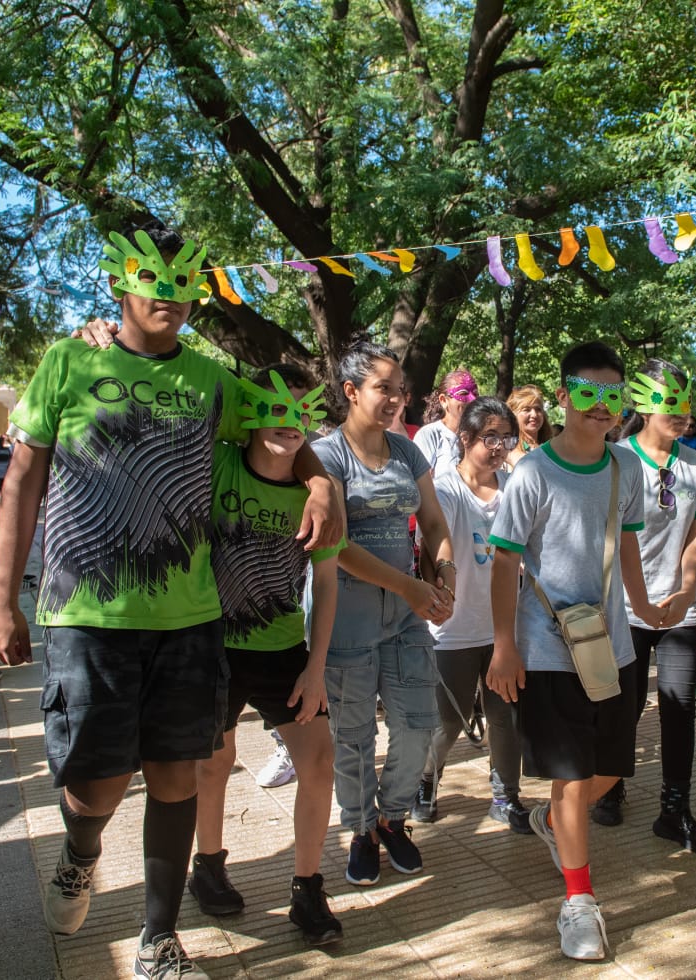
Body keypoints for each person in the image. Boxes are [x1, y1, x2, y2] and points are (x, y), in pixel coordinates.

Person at [0, 222, 340, 980]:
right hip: (89, 616)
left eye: (186, 286)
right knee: (98, 784)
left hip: (190, 619)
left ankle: (158, 939)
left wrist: (319, 479)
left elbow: (284, 420)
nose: (173, 300)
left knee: (177, 776)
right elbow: (19, 484)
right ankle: (80, 856)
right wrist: (0, 603)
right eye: (157, 284)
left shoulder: (212, 381)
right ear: (122, 284)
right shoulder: (70, 358)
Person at [487, 340, 664, 961]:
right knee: (571, 777)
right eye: (586, 393)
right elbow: (505, 560)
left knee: (610, 769)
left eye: (612, 395)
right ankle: (578, 902)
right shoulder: (533, 471)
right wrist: (505, 644)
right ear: (564, 396)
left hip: (611, 647)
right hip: (547, 647)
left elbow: (632, 543)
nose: (600, 406)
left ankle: (555, 825)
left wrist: (642, 608)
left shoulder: (627, 466)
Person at [187, 365, 344, 943]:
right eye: (275, 408)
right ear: (250, 415)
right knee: (214, 763)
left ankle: (307, 889)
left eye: (303, 411)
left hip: (285, 651)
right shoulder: (219, 461)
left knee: (319, 763)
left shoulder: (321, 493)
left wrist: (316, 666)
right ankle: (208, 867)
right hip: (214, 645)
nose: (290, 421)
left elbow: (327, 583)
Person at [312, 341, 456, 888]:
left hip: (406, 616)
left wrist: (444, 578)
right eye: (384, 388)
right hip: (344, 615)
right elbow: (336, 544)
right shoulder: (325, 456)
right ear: (351, 391)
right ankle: (361, 829)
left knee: (421, 725)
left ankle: (395, 818)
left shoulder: (407, 450)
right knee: (352, 738)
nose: (397, 398)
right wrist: (411, 586)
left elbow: (436, 526)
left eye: (401, 389)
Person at [597, 359, 696, 852]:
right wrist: (641, 601)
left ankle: (675, 810)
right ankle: (611, 784)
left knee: (679, 707)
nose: (683, 413)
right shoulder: (616, 460)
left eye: (687, 403)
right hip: (625, 608)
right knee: (621, 706)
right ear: (643, 405)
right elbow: (612, 539)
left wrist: (689, 588)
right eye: (672, 402)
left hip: (680, 610)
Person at [412, 397, 530, 833]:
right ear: (465, 438)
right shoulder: (444, 487)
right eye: (490, 437)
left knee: (506, 715)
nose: (499, 447)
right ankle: (427, 780)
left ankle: (506, 794)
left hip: (505, 627)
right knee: (448, 720)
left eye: (506, 438)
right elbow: (432, 549)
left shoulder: (516, 487)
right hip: (454, 628)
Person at [412, 368, 479, 473]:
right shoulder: (429, 435)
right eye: (463, 393)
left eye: (475, 393)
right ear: (443, 400)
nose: (473, 399)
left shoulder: (479, 437)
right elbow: (421, 482)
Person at [506, 384, 554, 468]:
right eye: (526, 410)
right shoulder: (506, 448)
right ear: (513, 414)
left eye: (538, 409)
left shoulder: (552, 448)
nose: (534, 415)